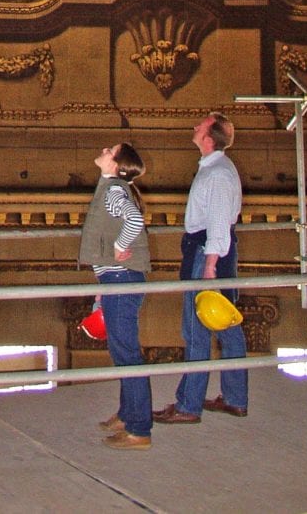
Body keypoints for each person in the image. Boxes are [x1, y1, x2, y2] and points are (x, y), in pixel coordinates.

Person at [153, 113, 248, 424]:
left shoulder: (218, 173)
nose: (194, 127)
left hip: (208, 252)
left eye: (201, 125)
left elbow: (218, 222)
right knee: (226, 323)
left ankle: (188, 405)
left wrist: (209, 265)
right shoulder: (215, 168)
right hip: (211, 250)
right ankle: (234, 398)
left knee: (196, 329)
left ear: (210, 137)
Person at [78, 142, 152, 450]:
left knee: (127, 354)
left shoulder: (113, 192)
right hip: (114, 279)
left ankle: (138, 430)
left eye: (111, 151)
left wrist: (121, 246)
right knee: (123, 351)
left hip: (121, 278)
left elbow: (134, 221)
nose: (105, 149)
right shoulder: (112, 188)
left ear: (117, 166)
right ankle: (128, 414)